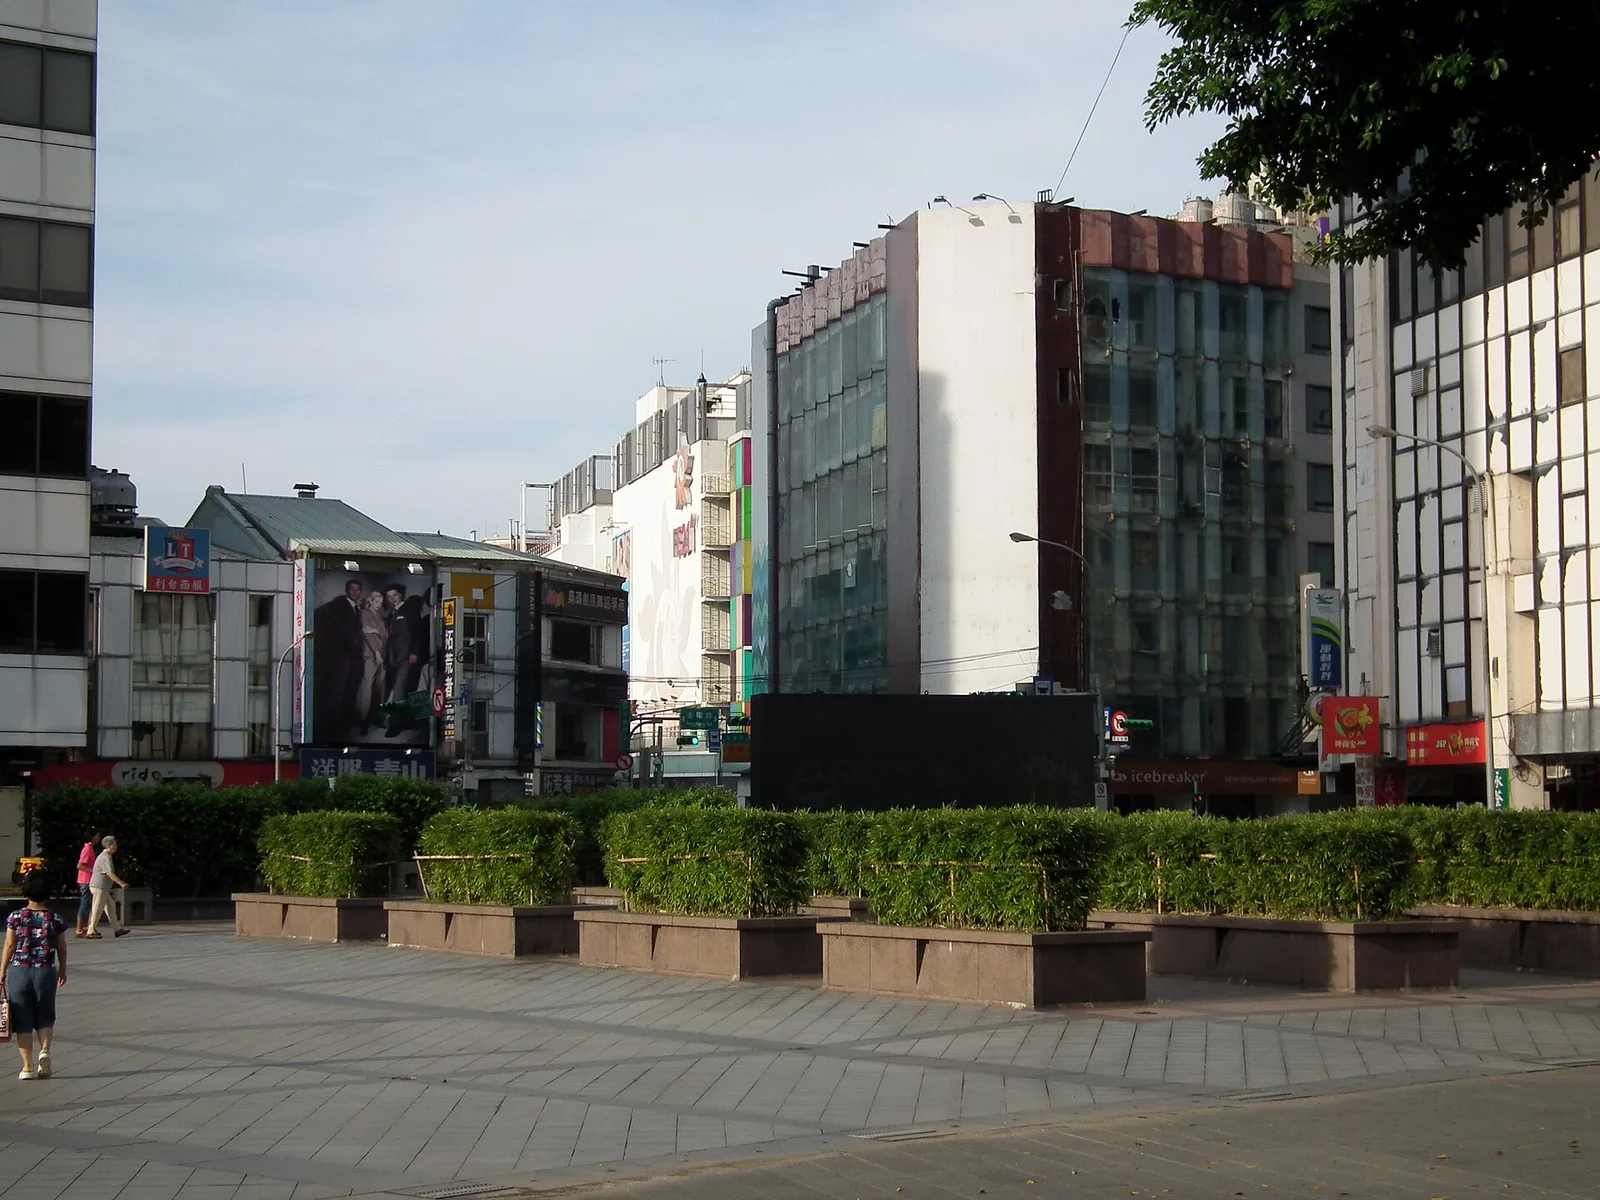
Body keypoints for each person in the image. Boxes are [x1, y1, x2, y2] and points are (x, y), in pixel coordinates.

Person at [3, 869, 68, 1080]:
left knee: (22, 1018)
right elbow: (61, 947)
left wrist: (2, 971)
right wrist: (62, 968)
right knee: (45, 1014)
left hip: (19, 970)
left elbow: (9, 945)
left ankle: (27, 1067)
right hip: (45, 971)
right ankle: (45, 1051)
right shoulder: (55, 918)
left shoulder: (15, 917)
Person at [314, 578, 367, 737]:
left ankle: (346, 719)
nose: (355, 592)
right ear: (346, 590)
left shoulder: (358, 609)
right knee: (338, 689)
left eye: (357, 590)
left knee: (352, 688)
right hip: (340, 657)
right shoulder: (338, 605)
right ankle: (333, 723)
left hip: (355, 657)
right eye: (352, 589)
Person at [85, 835, 131, 940]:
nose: (116, 847)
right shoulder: (105, 857)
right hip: (99, 887)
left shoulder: (107, 856)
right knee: (97, 908)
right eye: (115, 844)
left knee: (111, 906)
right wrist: (121, 883)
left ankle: (117, 929)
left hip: (103, 888)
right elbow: (109, 873)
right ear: (109, 846)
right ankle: (91, 931)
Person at [357, 592, 389, 732]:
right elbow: (367, 635)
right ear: (371, 601)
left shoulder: (379, 617)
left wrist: (375, 630)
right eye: (377, 602)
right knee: (367, 687)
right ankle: (364, 720)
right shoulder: (365, 613)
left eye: (381, 603)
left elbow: (386, 635)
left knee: (380, 688)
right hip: (371, 655)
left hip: (382, 654)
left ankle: (378, 717)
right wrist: (376, 652)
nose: (379, 605)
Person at [74, 832, 101, 938]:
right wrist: (94, 871)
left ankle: (90, 928)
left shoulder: (90, 849)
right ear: (92, 837)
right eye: (97, 836)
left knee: (90, 905)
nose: (98, 838)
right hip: (85, 880)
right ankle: (79, 929)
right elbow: (80, 865)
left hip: (90, 880)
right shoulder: (87, 849)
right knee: (85, 904)